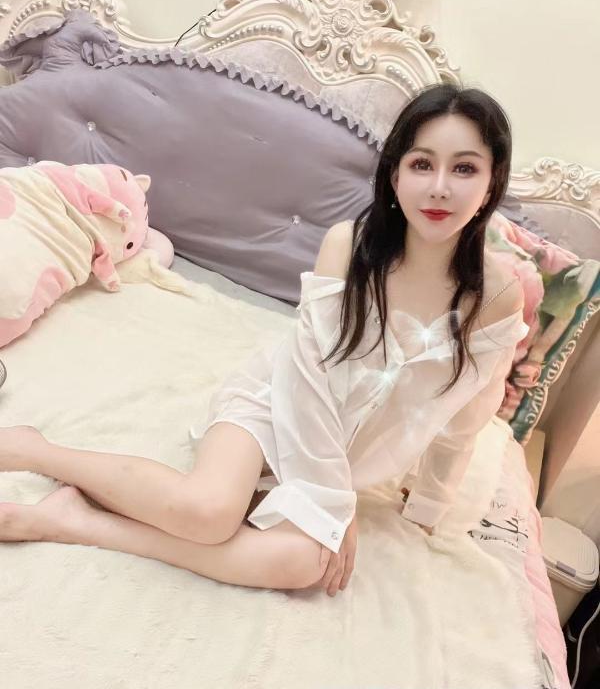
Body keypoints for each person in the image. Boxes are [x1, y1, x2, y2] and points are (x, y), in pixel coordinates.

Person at [0, 83, 528, 599]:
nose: (439, 187)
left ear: (492, 183)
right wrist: (335, 502)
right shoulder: (349, 247)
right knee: (210, 511)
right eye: (421, 164)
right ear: (395, 175)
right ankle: (40, 451)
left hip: (342, 455)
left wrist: (428, 507)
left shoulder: (498, 295)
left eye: (464, 168)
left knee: (302, 562)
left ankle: (74, 521)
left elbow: (466, 411)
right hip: (276, 405)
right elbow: (309, 381)